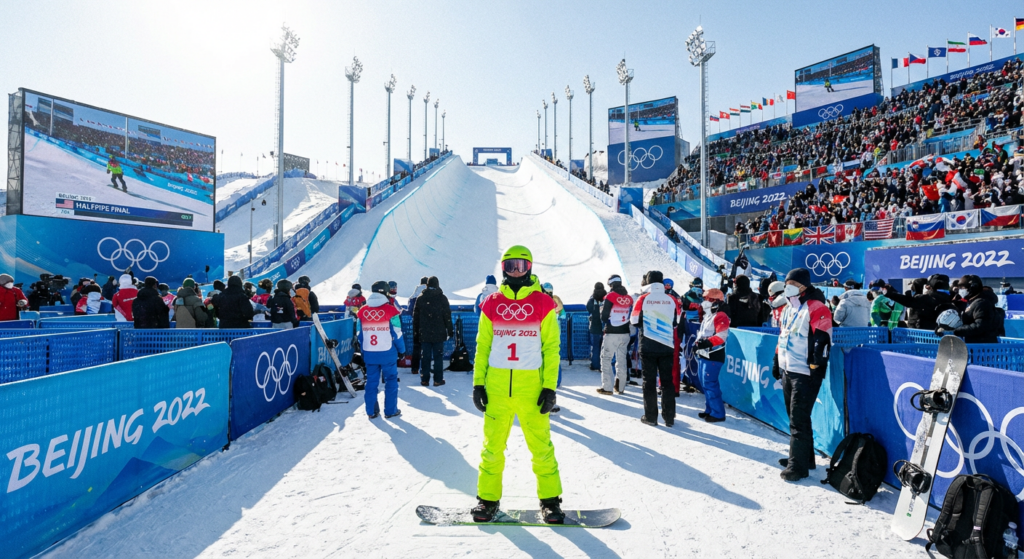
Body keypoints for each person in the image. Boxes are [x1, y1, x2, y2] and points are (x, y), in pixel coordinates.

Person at [471, 245, 564, 524]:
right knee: (491, 448)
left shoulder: (543, 303)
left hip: (531, 389)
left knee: (541, 448)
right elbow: (482, 346)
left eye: (521, 266)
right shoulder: (492, 303)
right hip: (497, 388)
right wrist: (478, 384)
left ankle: (550, 502)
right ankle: (487, 500)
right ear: (503, 269)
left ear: (530, 268)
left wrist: (549, 387)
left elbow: (552, 348)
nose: (515, 272)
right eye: (510, 266)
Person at [772, 268, 833, 481]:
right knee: (796, 417)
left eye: (792, 283)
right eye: (786, 282)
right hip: (789, 369)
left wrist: (816, 364)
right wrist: (776, 360)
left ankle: (797, 467)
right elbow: (784, 335)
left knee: (798, 418)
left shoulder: (817, 307)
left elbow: (823, 338)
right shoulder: (789, 308)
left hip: (806, 372)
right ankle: (804, 458)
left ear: (804, 286)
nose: (788, 286)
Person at [630, 270, 681, 427]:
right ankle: (669, 418)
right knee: (667, 382)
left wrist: (646, 327)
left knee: (649, 382)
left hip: (648, 345)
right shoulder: (672, 298)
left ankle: (651, 417)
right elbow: (676, 321)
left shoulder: (643, 298)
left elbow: (633, 320)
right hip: (666, 345)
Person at [358, 281, 406, 419]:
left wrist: (363, 351)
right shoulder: (392, 311)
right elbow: (397, 334)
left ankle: (371, 411)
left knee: (371, 381)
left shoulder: (362, 311)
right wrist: (401, 350)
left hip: (369, 352)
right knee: (391, 380)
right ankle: (390, 410)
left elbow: (359, 335)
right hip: (387, 353)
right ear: (386, 292)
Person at [694, 288, 730, 423]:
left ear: (715, 301)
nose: (704, 302)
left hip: (714, 354)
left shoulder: (721, 316)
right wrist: (696, 345)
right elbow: (702, 334)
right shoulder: (708, 315)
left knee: (710, 383)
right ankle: (710, 409)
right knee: (704, 383)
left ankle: (718, 413)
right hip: (704, 353)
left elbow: (721, 336)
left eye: (707, 299)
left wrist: (706, 343)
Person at [413, 276, 453, 387]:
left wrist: (416, 333)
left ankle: (424, 379)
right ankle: (437, 380)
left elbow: (415, 317)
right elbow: (447, 316)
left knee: (425, 357)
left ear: (427, 285)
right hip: (439, 333)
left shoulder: (420, 298)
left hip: (424, 333)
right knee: (438, 357)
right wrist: (450, 330)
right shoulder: (442, 298)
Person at [938, 274, 1003, 343]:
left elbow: (980, 326)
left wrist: (956, 331)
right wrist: (945, 326)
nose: (960, 290)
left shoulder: (982, 303)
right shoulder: (970, 302)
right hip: (972, 343)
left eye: (962, 288)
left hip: (982, 346)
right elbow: (959, 320)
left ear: (972, 288)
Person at [598, 275, 634, 395]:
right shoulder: (629, 298)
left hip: (612, 333)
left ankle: (607, 387)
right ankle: (620, 387)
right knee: (621, 360)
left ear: (611, 285)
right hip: (625, 333)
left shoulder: (610, 296)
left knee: (606, 359)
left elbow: (604, 316)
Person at [883, 274, 952, 330]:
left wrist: (889, 293)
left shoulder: (927, 299)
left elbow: (908, 301)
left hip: (923, 336)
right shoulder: (950, 298)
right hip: (941, 335)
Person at [408, 277, 429, 376]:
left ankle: (414, 368)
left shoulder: (414, 295)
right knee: (427, 347)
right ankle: (425, 368)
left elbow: (409, 310)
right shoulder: (429, 294)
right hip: (427, 324)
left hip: (416, 324)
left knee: (416, 347)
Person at [585, 282, 607, 371]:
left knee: (595, 347)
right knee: (605, 347)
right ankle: (604, 365)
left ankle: (595, 365)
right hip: (605, 326)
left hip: (594, 326)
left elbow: (588, 308)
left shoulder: (592, 299)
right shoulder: (606, 297)